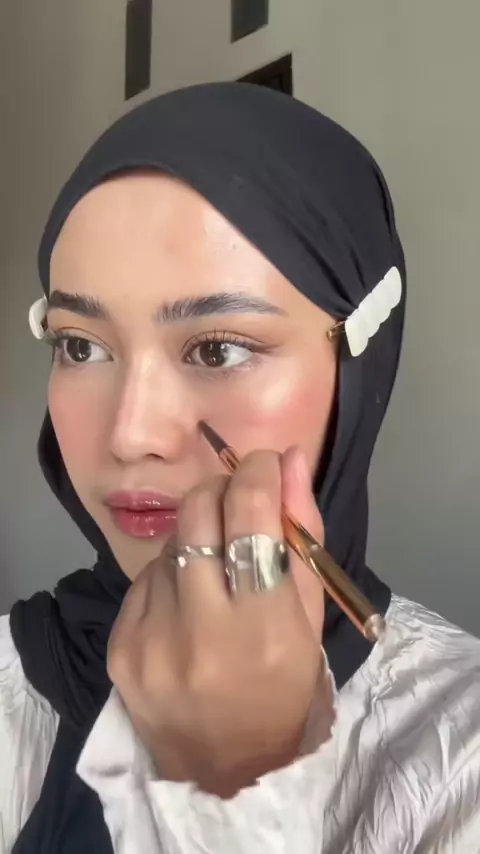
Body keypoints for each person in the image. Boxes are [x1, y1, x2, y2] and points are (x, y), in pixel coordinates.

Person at [1, 82, 479, 854]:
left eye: (218, 349)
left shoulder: (459, 753)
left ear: (361, 366)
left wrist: (223, 790)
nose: (131, 436)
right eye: (79, 345)